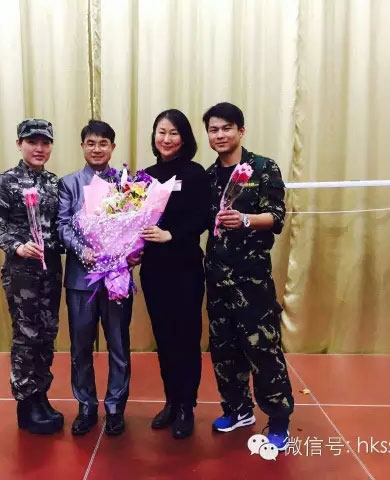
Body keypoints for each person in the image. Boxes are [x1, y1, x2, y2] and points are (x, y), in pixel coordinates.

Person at [202, 102, 294, 450]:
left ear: (241, 130)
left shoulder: (262, 168)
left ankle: (279, 420)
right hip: (217, 277)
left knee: (263, 349)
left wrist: (244, 220)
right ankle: (237, 409)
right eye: (213, 129)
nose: (220, 135)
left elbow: (277, 217)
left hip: (252, 279)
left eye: (226, 128)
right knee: (224, 349)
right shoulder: (208, 177)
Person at [57, 120, 137, 436]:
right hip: (81, 279)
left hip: (116, 278)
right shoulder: (69, 184)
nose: (97, 148)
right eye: (91, 143)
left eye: (103, 143)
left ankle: (115, 408)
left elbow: (136, 225)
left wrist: (133, 251)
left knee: (118, 344)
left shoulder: (127, 184)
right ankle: (86, 406)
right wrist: (82, 250)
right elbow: (63, 225)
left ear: (112, 147)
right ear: (82, 146)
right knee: (80, 347)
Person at [0, 118, 64, 435]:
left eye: (45, 142)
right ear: (20, 144)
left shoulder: (54, 183)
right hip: (22, 273)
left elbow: (61, 225)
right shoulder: (7, 182)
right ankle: (25, 402)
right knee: (26, 335)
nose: (39, 148)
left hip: (51, 272)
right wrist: (18, 246)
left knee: (46, 334)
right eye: (32, 142)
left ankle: (41, 395)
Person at [139, 109, 210, 439]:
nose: (166, 139)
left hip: (185, 268)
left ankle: (186, 406)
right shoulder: (145, 176)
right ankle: (170, 401)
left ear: (184, 138)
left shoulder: (195, 173)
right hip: (154, 270)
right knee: (164, 338)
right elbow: (134, 220)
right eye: (161, 132)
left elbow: (203, 217)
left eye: (173, 133)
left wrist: (172, 234)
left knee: (186, 338)